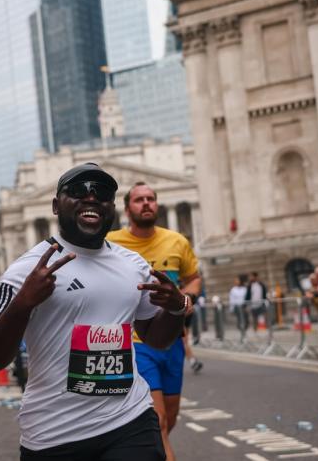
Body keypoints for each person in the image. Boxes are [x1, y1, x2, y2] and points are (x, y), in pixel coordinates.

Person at [0, 163, 191, 461]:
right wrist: (23, 302)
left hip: (130, 420)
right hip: (54, 434)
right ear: (55, 205)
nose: (90, 197)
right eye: (78, 190)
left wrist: (177, 307)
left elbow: (155, 338)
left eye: (101, 192)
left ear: (111, 208)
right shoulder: (26, 270)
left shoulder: (134, 265)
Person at [107, 181, 202, 461]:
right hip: (136, 342)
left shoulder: (176, 241)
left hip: (173, 339)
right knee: (158, 420)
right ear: (127, 209)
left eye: (151, 198)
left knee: (170, 418)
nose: (146, 203)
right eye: (139, 200)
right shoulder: (111, 243)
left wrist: (185, 299)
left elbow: (193, 278)